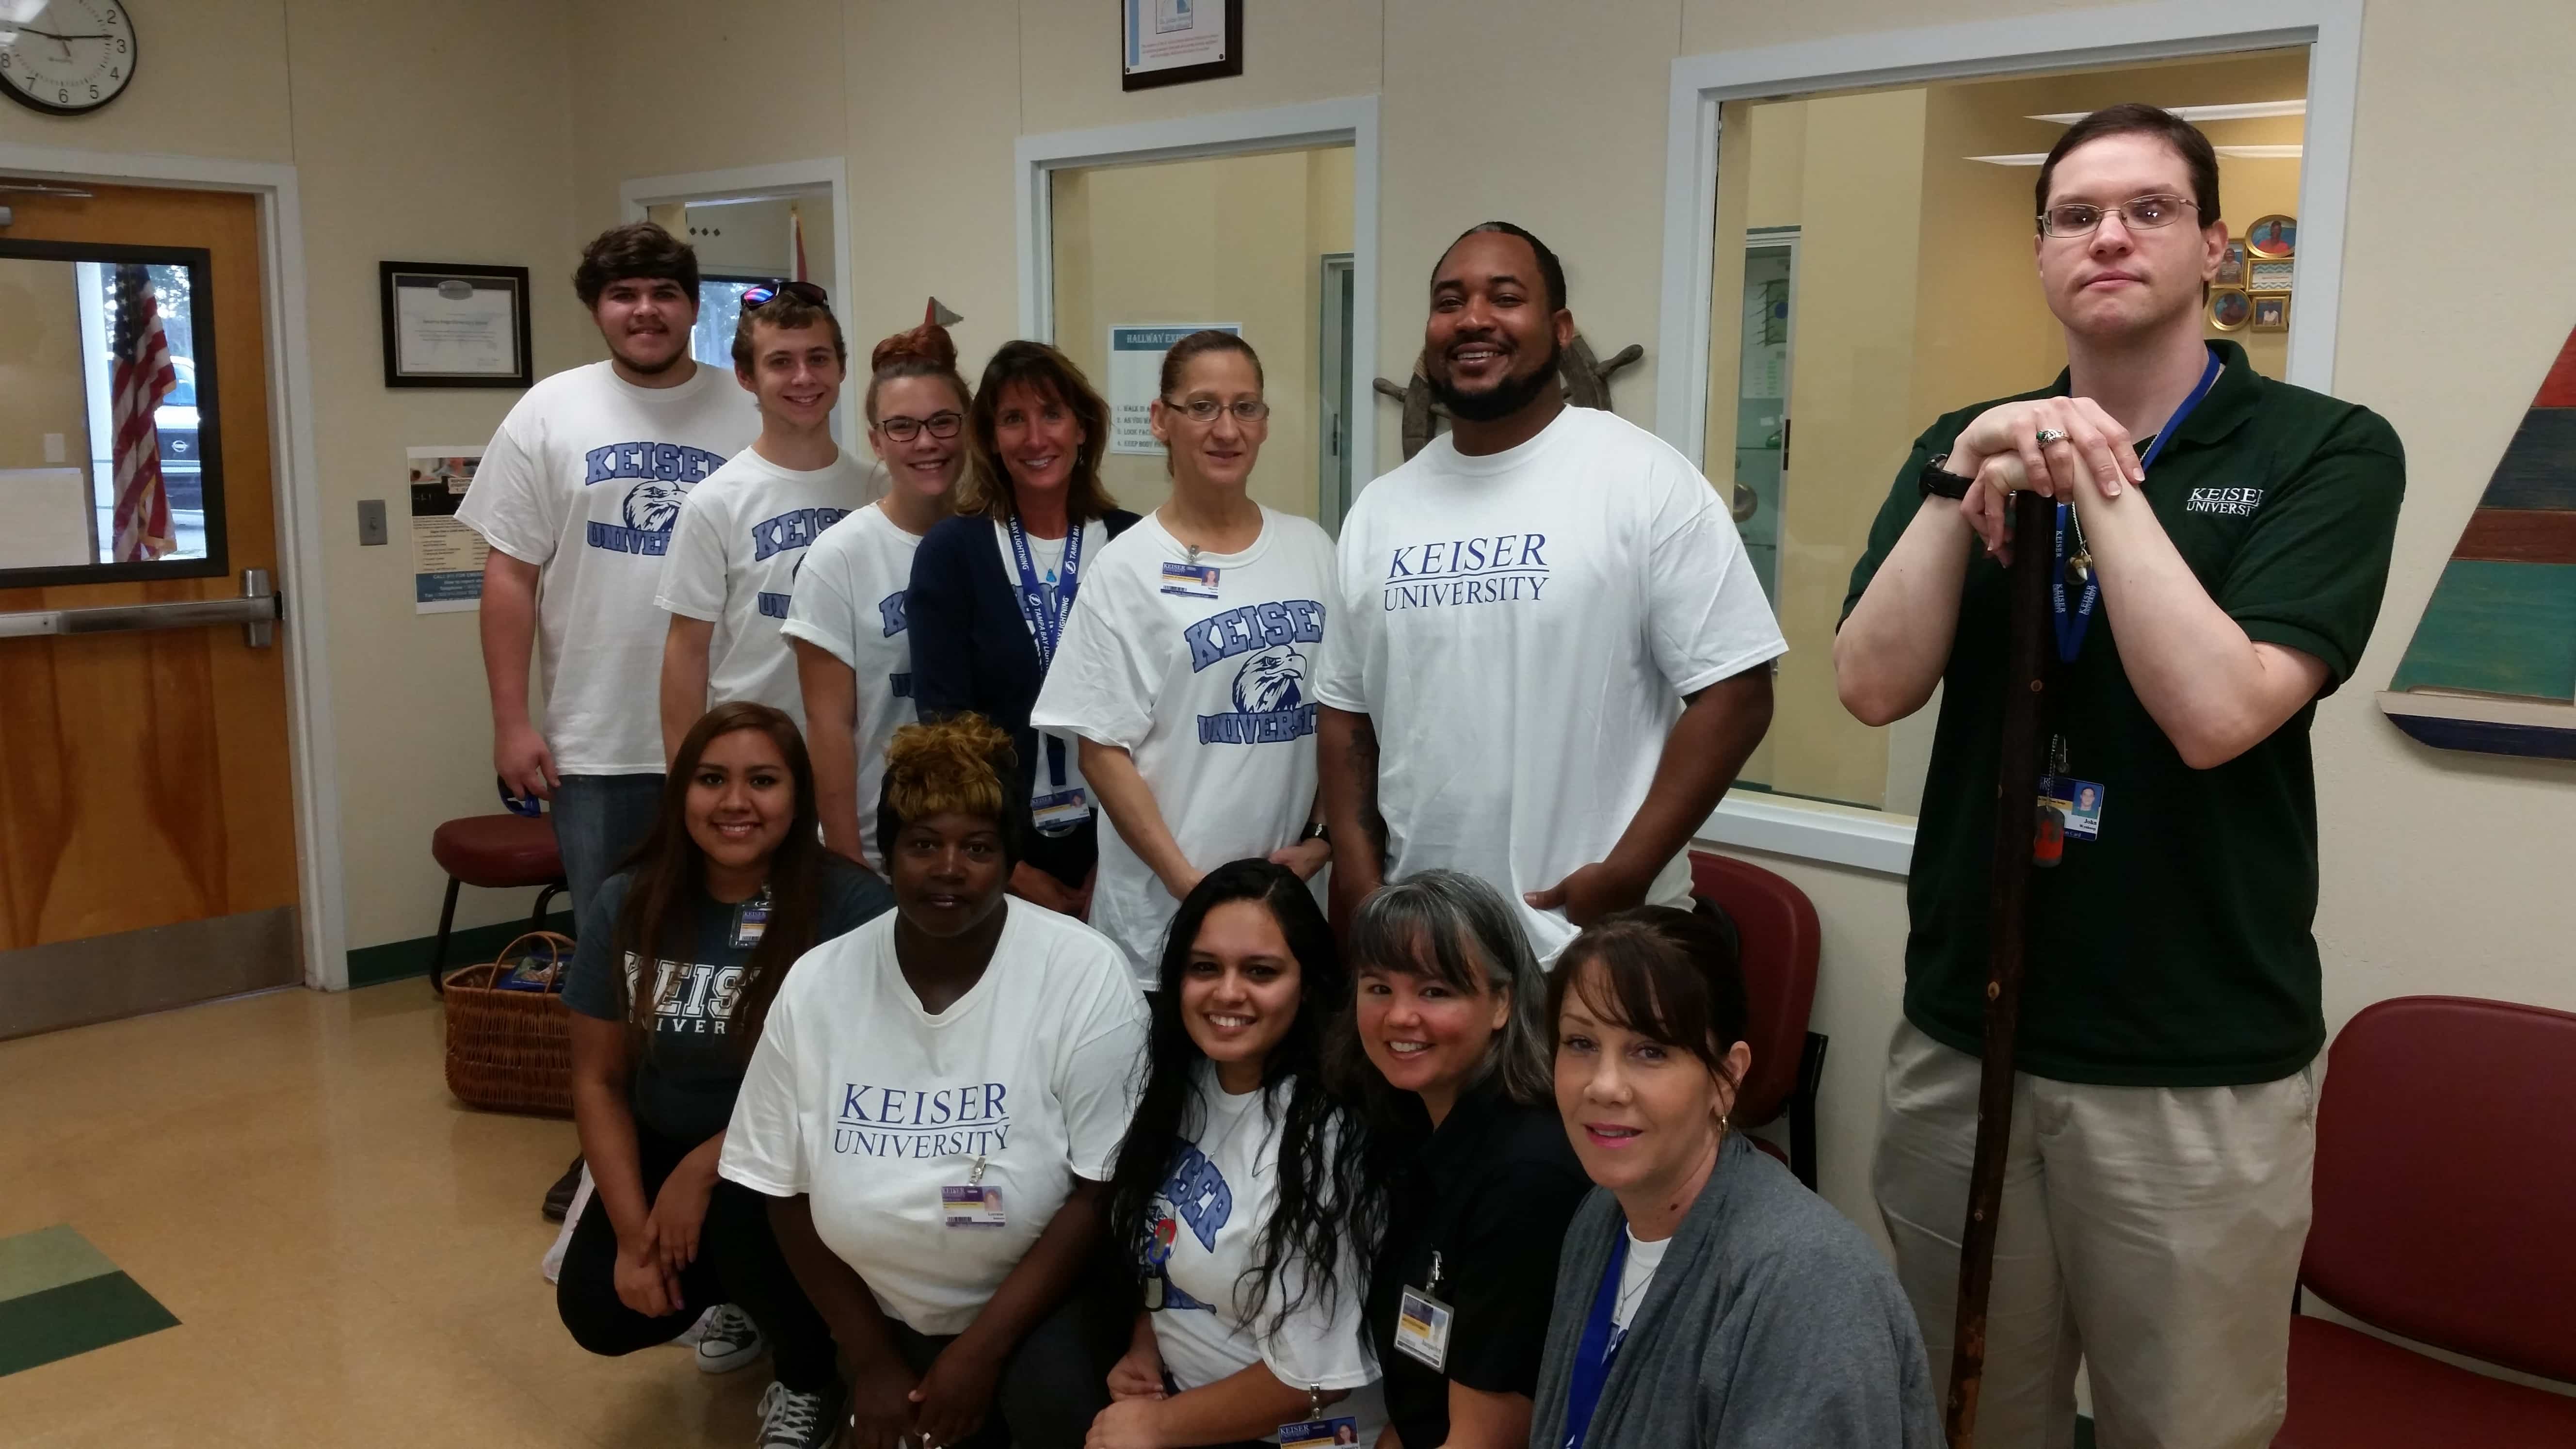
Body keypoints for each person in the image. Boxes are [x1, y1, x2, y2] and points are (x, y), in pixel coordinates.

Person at [1834, 105, 2405, 1449]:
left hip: (2190, 1067)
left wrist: (2094, 477)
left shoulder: (2323, 450)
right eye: (2075, 215)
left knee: (2185, 1428)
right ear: (2041, 256)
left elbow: (2218, 711)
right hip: (1967, 1037)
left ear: (2213, 246)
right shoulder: (1967, 443)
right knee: (1967, 1411)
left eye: (2149, 210)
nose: (2109, 236)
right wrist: (1956, 476)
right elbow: (1869, 685)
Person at [1314, 222, 1785, 961]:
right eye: (1449, 301)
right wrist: (1362, 880)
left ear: (1560, 330)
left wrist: (1626, 874)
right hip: (1423, 950)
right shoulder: (1380, 510)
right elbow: (1346, 715)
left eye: (1506, 298)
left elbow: (1738, 691)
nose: (1473, 319)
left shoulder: (1643, 480)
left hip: (1598, 944)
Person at [720, 713, 1151, 1449]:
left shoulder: (1083, 972)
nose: (949, 868)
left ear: (1012, 858)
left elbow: (1100, 1189)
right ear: (888, 857)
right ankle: (831, 1378)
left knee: (1058, 1409)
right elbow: (781, 1190)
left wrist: (978, 1355)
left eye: (978, 848)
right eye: (923, 844)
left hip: (1041, 1302)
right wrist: (872, 1361)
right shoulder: (819, 984)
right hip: (879, 1307)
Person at [457, 221, 756, 1217]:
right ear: (597, 307)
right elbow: (508, 574)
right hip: (600, 735)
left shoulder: (745, 405)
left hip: (738, 738)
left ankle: (735, 1149)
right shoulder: (550, 412)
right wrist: (512, 720)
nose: (645, 310)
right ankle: (608, 1151)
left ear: (690, 303)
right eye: (625, 294)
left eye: (664, 292)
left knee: (743, 952)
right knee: (615, 957)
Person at [556, 702, 894, 1449]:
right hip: (666, 1133)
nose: (736, 802)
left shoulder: (852, 907)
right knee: (600, 1312)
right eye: (712, 779)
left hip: (802, 1156)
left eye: (763, 781)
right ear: (682, 795)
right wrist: (633, 1234)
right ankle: (744, 1295)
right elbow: (599, 1080)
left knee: (744, 1202)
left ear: (798, 797)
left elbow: (857, 1079)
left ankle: (808, 1375)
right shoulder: (630, 901)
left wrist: (704, 1169)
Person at [1529, 908, 1939, 1449]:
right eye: (1580, 1044)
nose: (1604, 1086)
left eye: (1649, 1051)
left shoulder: (1808, 1286)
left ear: (1726, 1078)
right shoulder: (1599, 1218)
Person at [1031, 332, 1335, 983]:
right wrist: (1192, 888)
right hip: (1163, 928)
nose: (1227, 429)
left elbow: (1345, 713)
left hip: (1287, 924)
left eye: (1245, 407)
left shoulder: (1311, 550)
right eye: (1202, 407)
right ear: (1162, 421)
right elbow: (1101, 752)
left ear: (1263, 424)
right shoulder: (1126, 570)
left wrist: (1324, 842)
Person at [1091, 861, 1385, 1449]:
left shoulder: (1326, 1138)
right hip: (1187, 1407)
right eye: (1205, 968)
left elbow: (1314, 1380)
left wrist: (1155, 1427)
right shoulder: (1192, 1082)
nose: (1227, 993)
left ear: (1307, 984)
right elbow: (1172, 1246)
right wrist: (1145, 1347)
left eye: (1260, 971)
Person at [1328, 870, 1589, 1449]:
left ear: (1501, 1002)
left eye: (1434, 991)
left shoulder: (1527, 1177)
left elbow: (1488, 1440)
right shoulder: (1412, 1122)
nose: (1399, 1016)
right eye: (1378, 988)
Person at [910, 341, 1141, 918]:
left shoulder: (1133, 545)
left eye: (1052, 414)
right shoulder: (953, 552)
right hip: (1000, 850)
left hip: (1124, 838)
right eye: (1013, 419)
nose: (1036, 439)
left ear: (1083, 428)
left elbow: (1159, 715)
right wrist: (1008, 865)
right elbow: (945, 729)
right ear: (989, 437)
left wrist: (1121, 853)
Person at [786, 307, 972, 874]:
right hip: (878, 840)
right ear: (876, 439)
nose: (926, 443)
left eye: (943, 422)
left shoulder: (993, 542)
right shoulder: (839, 557)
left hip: (980, 837)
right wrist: (847, 860)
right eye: (902, 427)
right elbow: (829, 726)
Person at [658, 281, 876, 755]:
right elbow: (687, 653)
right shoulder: (716, 501)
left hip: (869, 760)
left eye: (818, 358)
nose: (803, 378)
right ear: (746, 377)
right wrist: (684, 784)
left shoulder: (879, 490)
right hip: (757, 758)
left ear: (840, 367)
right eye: (780, 362)